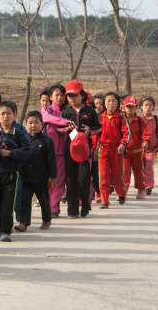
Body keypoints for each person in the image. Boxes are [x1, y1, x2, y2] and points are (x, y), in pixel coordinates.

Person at [0, 101, 31, 242]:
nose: (6, 116)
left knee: (8, 203)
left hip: (11, 173)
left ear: (15, 115)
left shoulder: (19, 135)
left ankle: (5, 230)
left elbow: (27, 151)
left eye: (9, 113)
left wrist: (10, 153)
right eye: (2, 114)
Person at [60, 80, 101, 218]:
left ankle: (85, 204)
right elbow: (59, 129)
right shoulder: (65, 112)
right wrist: (67, 129)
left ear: (82, 95)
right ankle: (72, 211)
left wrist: (90, 130)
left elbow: (99, 127)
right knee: (70, 181)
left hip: (85, 151)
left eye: (75, 95)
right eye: (69, 96)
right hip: (69, 150)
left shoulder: (90, 111)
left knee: (83, 180)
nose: (72, 98)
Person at [16, 111, 56, 232]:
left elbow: (51, 160)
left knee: (44, 200)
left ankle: (46, 220)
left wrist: (52, 176)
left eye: (36, 122)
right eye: (30, 123)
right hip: (26, 176)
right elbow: (19, 157)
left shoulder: (47, 141)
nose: (33, 125)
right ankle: (24, 223)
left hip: (41, 177)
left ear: (42, 124)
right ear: (26, 124)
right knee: (25, 201)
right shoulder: (23, 139)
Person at [41, 83, 72, 218]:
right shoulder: (47, 110)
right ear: (51, 97)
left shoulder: (68, 111)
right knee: (46, 182)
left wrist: (67, 129)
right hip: (46, 152)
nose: (59, 98)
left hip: (62, 153)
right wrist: (65, 122)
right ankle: (46, 206)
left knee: (59, 181)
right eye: (56, 95)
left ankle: (54, 207)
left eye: (62, 95)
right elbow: (47, 119)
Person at [95, 92, 130, 208]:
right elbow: (95, 135)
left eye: (114, 101)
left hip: (117, 151)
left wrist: (123, 144)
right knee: (104, 177)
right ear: (104, 103)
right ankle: (105, 201)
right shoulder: (99, 118)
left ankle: (121, 193)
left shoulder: (121, 118)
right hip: (103, 151)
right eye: (108, 101)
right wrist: (95, 150)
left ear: (118, 104)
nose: (111, 103)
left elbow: (127, 133)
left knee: (117, 176)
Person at [123, 96, 150, 199]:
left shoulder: (140, 120)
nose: (130, 109)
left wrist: (145, 141)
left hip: (138, 151)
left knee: (139, 172)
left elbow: (145, 133)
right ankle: (123, 191)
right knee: (124, 172)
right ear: (124, 107)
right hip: (125, 151)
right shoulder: (121, 119)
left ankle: (141, 189)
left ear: (136, 108)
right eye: (128, 106)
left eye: (132, 107)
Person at [139, 96, 158, 195]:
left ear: (153, 107)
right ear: (141, 106)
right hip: (139, 149)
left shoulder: (156, 119)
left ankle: (149, 185)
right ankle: (141, 184)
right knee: (140, 167)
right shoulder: (137, 119)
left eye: (150, 105)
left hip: (151, 148)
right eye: (146, 105)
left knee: (149, 165)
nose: (148, 107)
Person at [90, 93, 105, 203]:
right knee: (89, 172)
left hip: (100, 149)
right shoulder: (90, 116)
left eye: (101, 104)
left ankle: (97, 191)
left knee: (96, 172)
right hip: (88, 147)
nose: (98, 106)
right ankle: (90, 192)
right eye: (96, 104)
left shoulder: (104, 117)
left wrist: (96, 150)